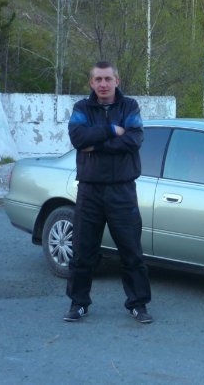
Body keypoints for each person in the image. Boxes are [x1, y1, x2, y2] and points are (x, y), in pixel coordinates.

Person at [63, 61, 153, 324]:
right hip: (89, 191)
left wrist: (97, 145)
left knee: (131, 251)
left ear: (117, 81)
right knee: (82, 251)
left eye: (108, 79)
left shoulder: (129, 107)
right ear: (91, 83)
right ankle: (78, 304)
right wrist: (112, 130)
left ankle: (138, 304)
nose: (103, 84)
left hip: (122, 191)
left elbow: (134, 140)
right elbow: (78, 139)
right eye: (98, 79)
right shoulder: (82, 108)